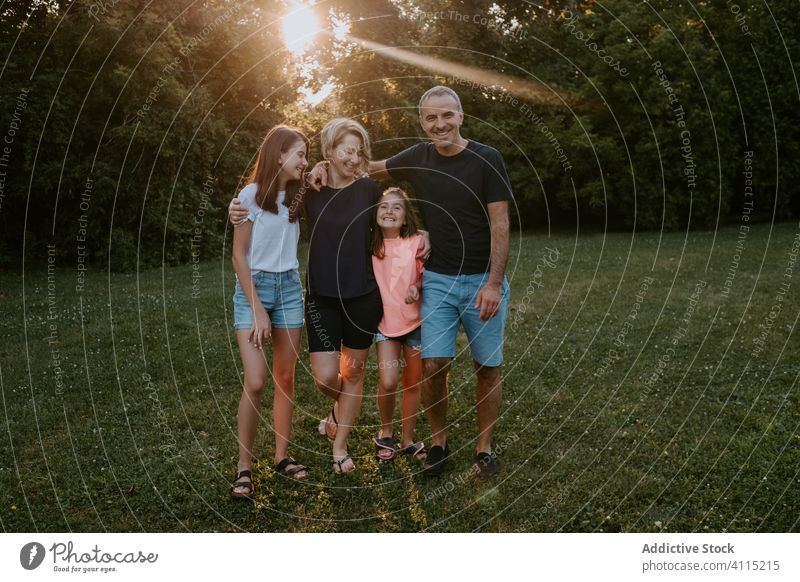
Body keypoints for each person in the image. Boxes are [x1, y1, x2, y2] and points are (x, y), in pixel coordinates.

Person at [308, 86, 512, 478]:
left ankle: (484, 448)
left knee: (487, 367)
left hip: (482, 281)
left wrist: (493, 282)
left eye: (447, 116)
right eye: (431, 118)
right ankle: (438, 443)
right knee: (435, 363)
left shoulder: (488, 159)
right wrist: (321, 165)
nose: (440, 124)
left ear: (460, 116)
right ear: (422, 122)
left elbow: (500, 223)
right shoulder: (419, 157)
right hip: (436, 279)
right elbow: (367, 167)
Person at [228, 120, 431, 474]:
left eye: (359, 151)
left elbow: (394, 212)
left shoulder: (368, 189)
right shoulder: (307, 190)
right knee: (325, 378)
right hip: (321, 296)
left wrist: (423, 231)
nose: (354, 158)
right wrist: (234, 210)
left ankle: (339, 447)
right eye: (346, 150)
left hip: (363, 296)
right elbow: (262, 204)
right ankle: (339, 412)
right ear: (330, 152)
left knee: (351, 374)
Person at [229, 125, 309, 498]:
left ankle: (281, 455)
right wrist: (258, 309)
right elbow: (239, 257)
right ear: (279, 154)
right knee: (257, 380)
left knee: (286, 376)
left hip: (290, 287)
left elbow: (329, 171)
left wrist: (319, 167)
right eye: (299, 154)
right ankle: (244, 466)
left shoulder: (299, 194)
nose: (304, 162)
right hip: (254, 289)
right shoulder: (248, 197)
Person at [370, 187, 427, 462]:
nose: (389, 211)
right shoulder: (369, 243)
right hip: (384, 325)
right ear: (375, 213)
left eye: (396, 207)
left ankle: (407, 438)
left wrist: (417, 286)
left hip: (414, 322)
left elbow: (424, 275)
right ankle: (385, 431)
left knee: (412, 382)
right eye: (383, 206)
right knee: (389, 380)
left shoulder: (417, 242)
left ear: (405, 218)